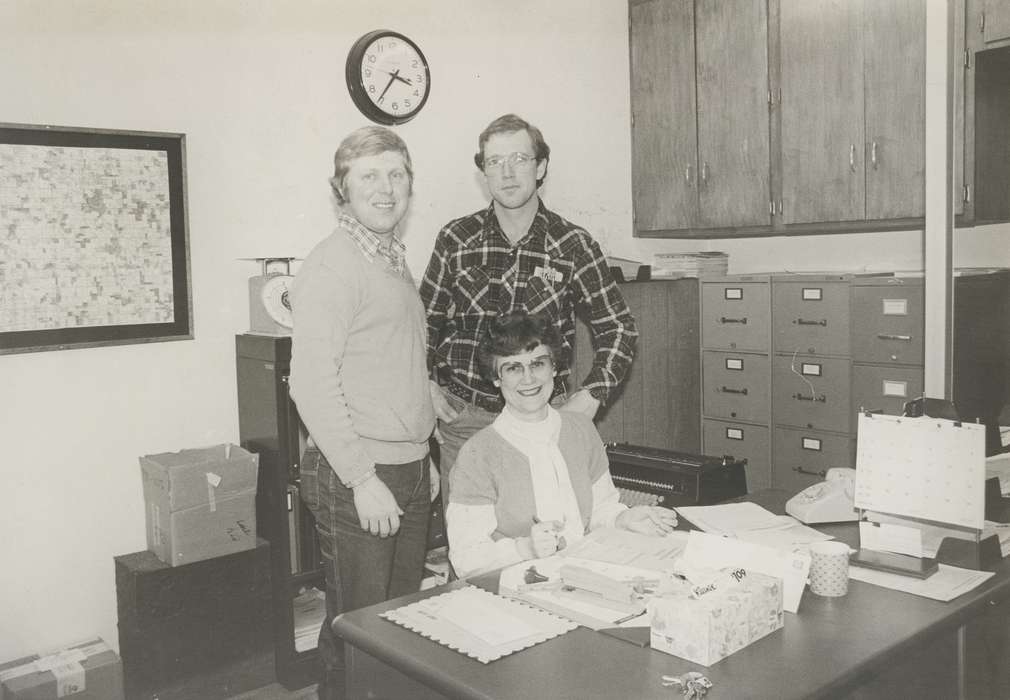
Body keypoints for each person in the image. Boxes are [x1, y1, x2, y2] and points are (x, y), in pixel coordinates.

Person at [420, 113, 638, 507]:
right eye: (494, 162)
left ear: (541, 167)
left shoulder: (572, 244)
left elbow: (619, 328)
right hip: (465, 421)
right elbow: (421, 326)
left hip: (544, 421)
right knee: (475, 550)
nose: (506, 172)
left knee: (549, 538)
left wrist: (591, 396)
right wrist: (425, 385)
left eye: (519, 159)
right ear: (483, 171)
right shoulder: (456, 239)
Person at [288, 126, 437, 700]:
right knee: (357, 632)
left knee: (397, 627)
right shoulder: (334, 266)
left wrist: (423, 453)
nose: (385, 188)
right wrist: (362, 479)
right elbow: (312, 386)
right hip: (358, 476)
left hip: (405, 468)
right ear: (341, 189)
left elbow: (397, 366)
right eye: (369, 175)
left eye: (396, 174)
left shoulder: (392, 258)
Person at [445, 311, 675, 577]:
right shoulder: (478, 453)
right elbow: (465, 557)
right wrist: (526, 548)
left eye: (538, 364)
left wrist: (623, 519)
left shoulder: (581, 429)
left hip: (581, 572)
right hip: (513, 585)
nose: (528, 378)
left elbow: (599, 510)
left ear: (554, 367)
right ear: (496, 378)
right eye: (513, 368)